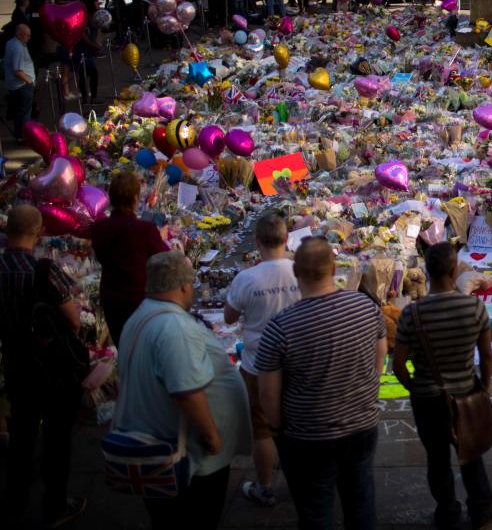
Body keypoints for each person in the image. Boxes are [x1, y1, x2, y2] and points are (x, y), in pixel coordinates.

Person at [115, 250, 251, 528]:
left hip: (162, 442)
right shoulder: (173, 326)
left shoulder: (141, 315)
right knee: (196, 517)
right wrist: (212, 435)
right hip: (188, 455)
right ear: (184, 286)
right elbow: (186, 391)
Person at [257, 238, 386, 530]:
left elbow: (268, 392)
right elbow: (380, 355)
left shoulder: (281, 327)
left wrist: (277, 428)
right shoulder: (366, 306)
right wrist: (367, 392)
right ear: (333, 269)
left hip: (308, 435)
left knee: (316, 510)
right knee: (361, 501)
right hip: (361, 425)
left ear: (296, 272)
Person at [392, 243, 492, 530]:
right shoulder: (474, 307)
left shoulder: (411, 314)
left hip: (427, 399)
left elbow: (398, 365)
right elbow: (486, 355)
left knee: (436, 460)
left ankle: (448, 513)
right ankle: (481, 509)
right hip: (465, 392)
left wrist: (415, 387)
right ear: (453, 271)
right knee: (471, 453)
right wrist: (484, 389)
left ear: (426, 271)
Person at [0, 205, 87, 527]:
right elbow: (74, 320)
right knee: (56, 437)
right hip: (51, 368)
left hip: (15, 362)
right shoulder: (43, 270)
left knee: (22, 433)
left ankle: (14, 501)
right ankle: (54, 505)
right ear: (39, 233)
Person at [223, 214, 299, 507]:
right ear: (286, 238)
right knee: (297, 425)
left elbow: (229, 318)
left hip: (257, 365)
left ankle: (265, 486)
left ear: (257, 242)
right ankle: (303, 482)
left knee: (262, 429)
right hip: (296, 361)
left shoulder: (247, 278)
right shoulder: (300, 271)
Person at [90, 172, 168, 344]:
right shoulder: (145, 229)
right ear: (135, 197)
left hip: (111, 297)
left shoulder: (99, 228)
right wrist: (162, 239)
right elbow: (164, 259)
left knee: (123, 346)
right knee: (143, 349)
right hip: (138, 298)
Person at [3, 24, 35, 141]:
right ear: (20, 34)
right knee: (24, 112)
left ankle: (19, 135)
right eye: (27, 35)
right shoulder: (18, 48)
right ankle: (24, 136)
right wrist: (29, 81)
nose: (29, 38)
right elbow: (18, 70)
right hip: (22, 85)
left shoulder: (11, 43)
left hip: (15, 85)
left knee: (19, 112)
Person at [73, 0, 101, 106]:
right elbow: (81, 33)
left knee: (85, 74)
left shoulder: (86, 13)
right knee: (90, 73)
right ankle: (90, 98)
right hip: (83, 49)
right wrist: (94, 45)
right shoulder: (84, 14)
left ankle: (86, 97)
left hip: (85, 48)